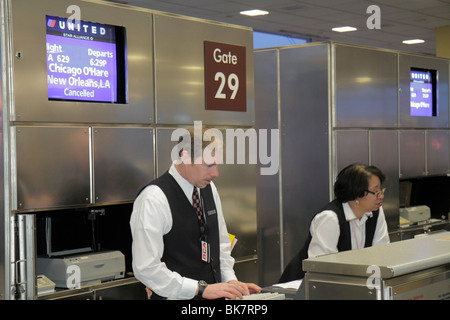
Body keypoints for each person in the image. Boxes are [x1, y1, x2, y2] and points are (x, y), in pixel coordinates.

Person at [130, 125, 261, 300]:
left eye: (217, 165)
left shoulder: (208, 188)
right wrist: (199, 289)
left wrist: (230, 281)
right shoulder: (153, 199)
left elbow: (221, 243)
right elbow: (146, 268)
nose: (216, 173)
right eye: (209, 165)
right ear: (185, 157)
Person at [279, 163, 390, 282]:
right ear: (357, 193)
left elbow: (381, 253)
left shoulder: (376, 212)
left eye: (381, 190)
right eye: (376, 192)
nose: (381, 196)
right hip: (303, 286)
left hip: (350, 284)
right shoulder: (330, 218)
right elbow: (321, 268)